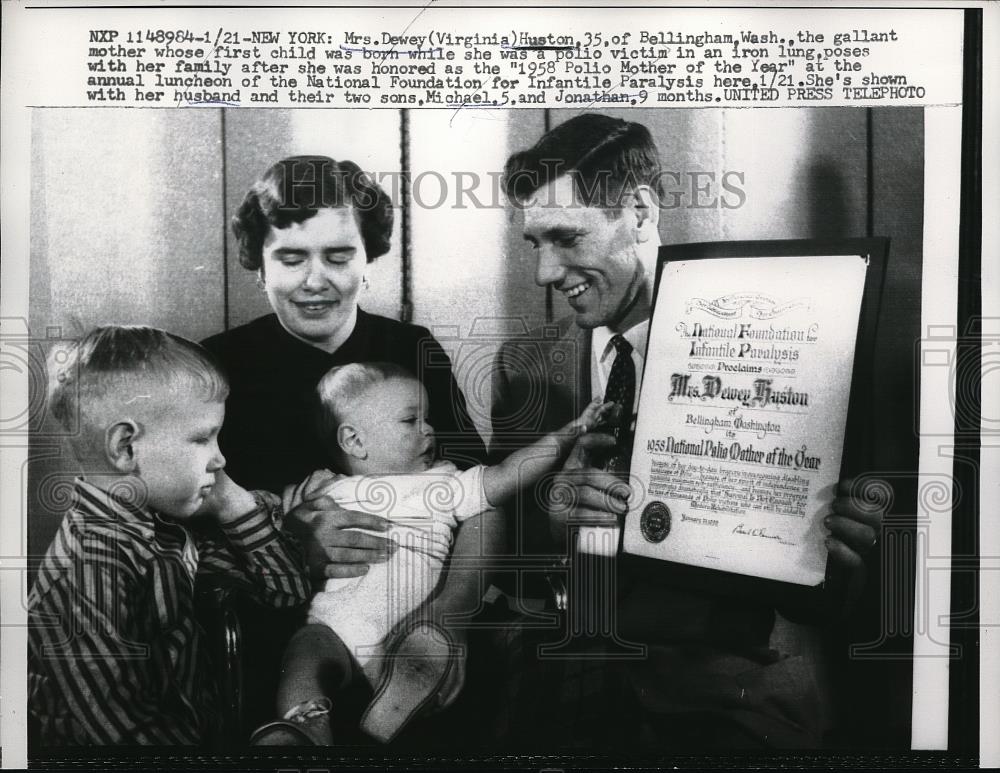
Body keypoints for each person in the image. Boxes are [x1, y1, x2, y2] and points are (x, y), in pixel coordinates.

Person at [490, 114, 885, 750]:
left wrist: (842, 555)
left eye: (565, 237)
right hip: (557, 674)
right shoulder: (523, 366)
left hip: (731, 689)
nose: (544, 271)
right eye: (533, 243)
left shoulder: (791, 353)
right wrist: (552, 507)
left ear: (640, 211)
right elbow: (501, 557)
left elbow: (832, 600)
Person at [200, 156, 497, 736]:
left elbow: (486, 498)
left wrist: (449, 617)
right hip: (279, 624)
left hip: (422, 608)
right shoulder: (218, 364)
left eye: (339, 256)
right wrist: (285, 549)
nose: (317, 280)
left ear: (368, 260)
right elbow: (190, 518)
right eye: (291, 258)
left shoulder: (411, 347)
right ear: (259, 266)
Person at [249, 362, 614, 745]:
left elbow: (509, 473)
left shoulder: (444, 482)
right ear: (354, 441)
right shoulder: (321, 487)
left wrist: (572, 430)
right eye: (410, 420)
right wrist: (286, 523)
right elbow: (267, 524)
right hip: (335, 629)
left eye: (428, 418)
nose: (429, 429)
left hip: (414, 627)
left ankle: (395, 712)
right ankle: (305, 727)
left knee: (421, 661)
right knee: (304, 652)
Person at [27, 326, 310, 745]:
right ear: (126, 448)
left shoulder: (168, 530)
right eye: (202, 439)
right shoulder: (88, 565)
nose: (220, 458)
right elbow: (125, 731)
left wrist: (232, 501)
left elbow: (287, 592)